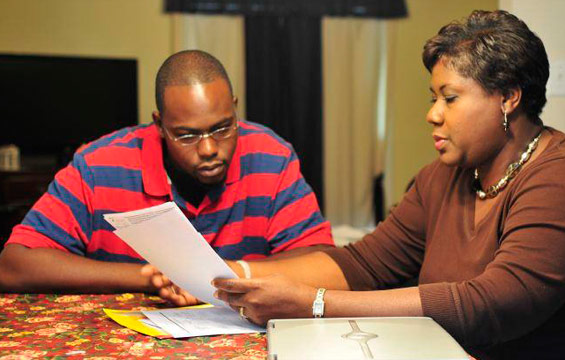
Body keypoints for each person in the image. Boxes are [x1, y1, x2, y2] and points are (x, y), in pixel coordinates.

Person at [145, 10, 565, 359]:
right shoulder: (443, 178)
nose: (432, 114)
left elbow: (493, 305)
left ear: (509, 97)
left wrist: (315, 305)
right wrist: (236, 274)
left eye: (449, 98)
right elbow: (363, 263)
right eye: (433, 97)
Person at [0, 50, 333, 294]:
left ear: (234, 107)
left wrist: (230, 276)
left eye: (222, 128)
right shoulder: (97, 165)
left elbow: (322, 261)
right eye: (186, 135)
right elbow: (14, 265)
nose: (208, 149)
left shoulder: (272, 157)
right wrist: (150, 277)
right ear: (159, 125)